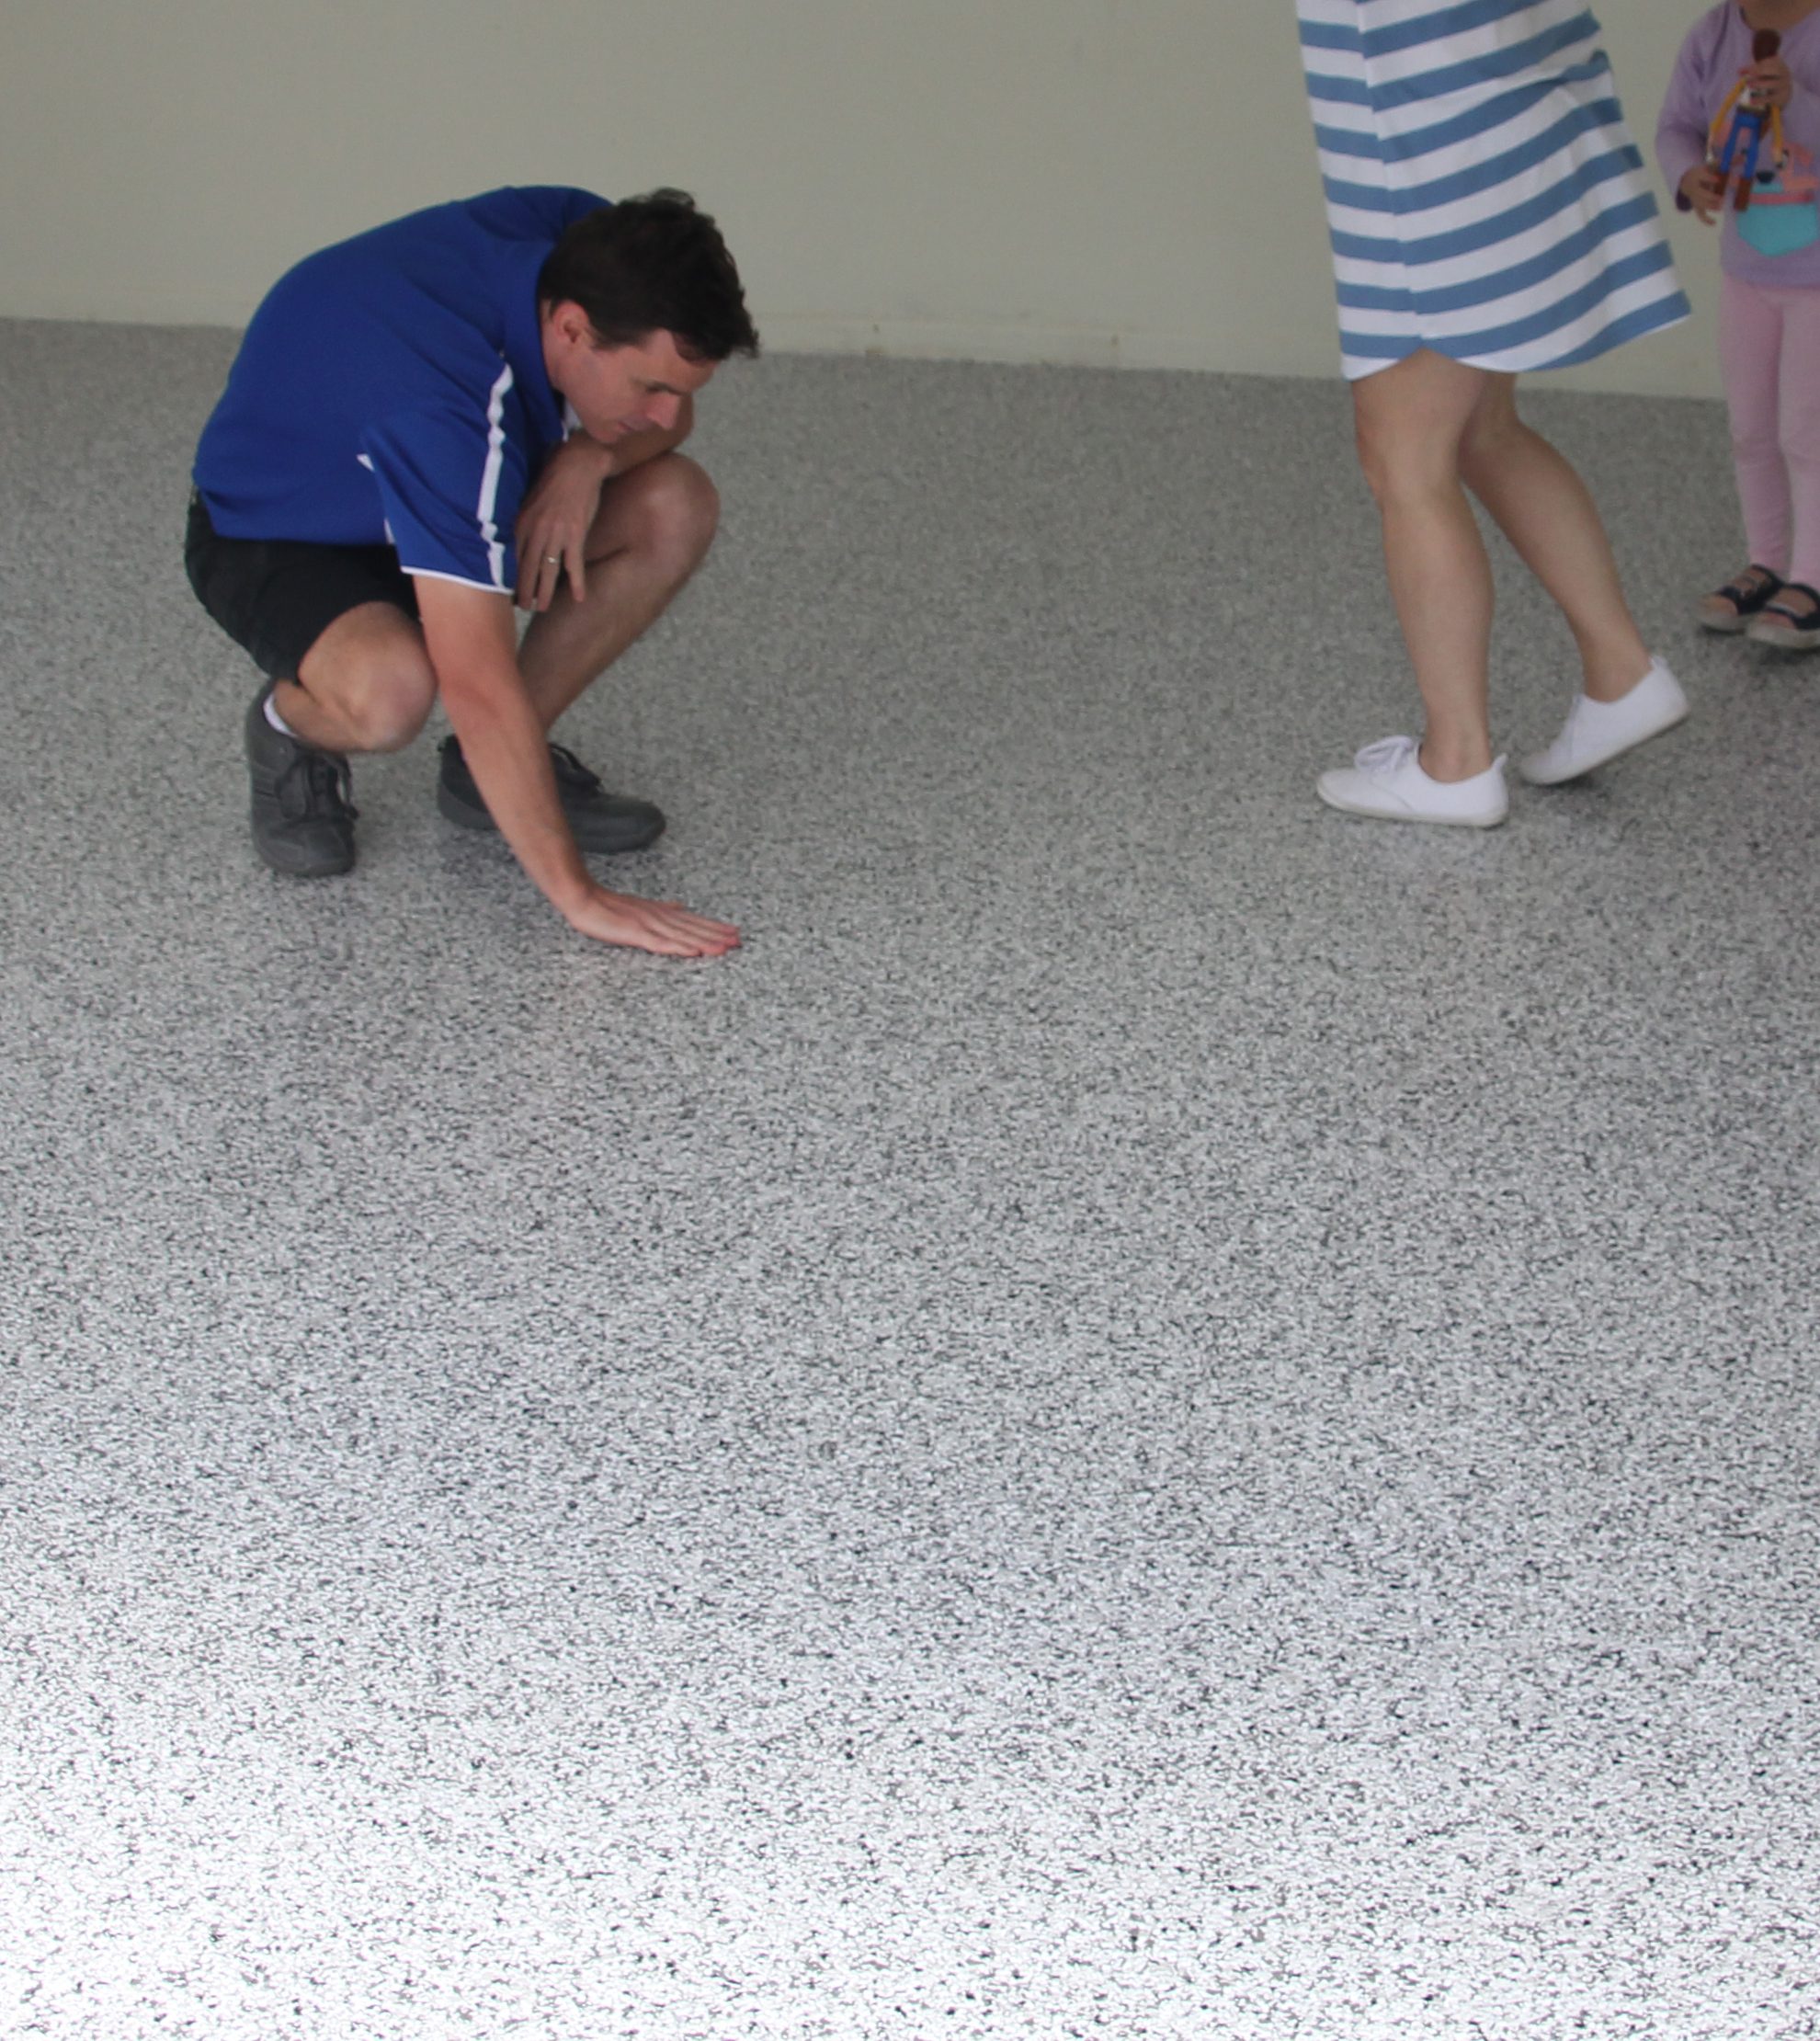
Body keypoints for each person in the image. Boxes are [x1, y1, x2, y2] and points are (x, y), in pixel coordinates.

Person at [187, 186, 756, 956]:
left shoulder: (596, 247)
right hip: (283, 527)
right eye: (649, 387)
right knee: (392, 693)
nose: (667, 414)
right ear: (570, 329)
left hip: (427, 475)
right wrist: (582, 899)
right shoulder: (444, 410)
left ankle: (483, 778)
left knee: (673, 505)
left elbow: (672, 422)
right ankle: (290, 727)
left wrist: (591, 457)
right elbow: (476, 683)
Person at [1295, 1, 1693, 826]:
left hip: (1428, 148)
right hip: (1513, 111)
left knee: (1406, 460)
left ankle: (1455, 762)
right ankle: (1621, 671)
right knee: (1483, 432)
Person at [1658, 0, 1820, 652]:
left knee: (1806, 432)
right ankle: (1767, 562)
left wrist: (1799, 102)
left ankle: (1812, 577)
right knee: (1751, 429)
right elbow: (1677, 125)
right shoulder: (1713, 34)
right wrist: (1688, 173)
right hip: (1747, 274)